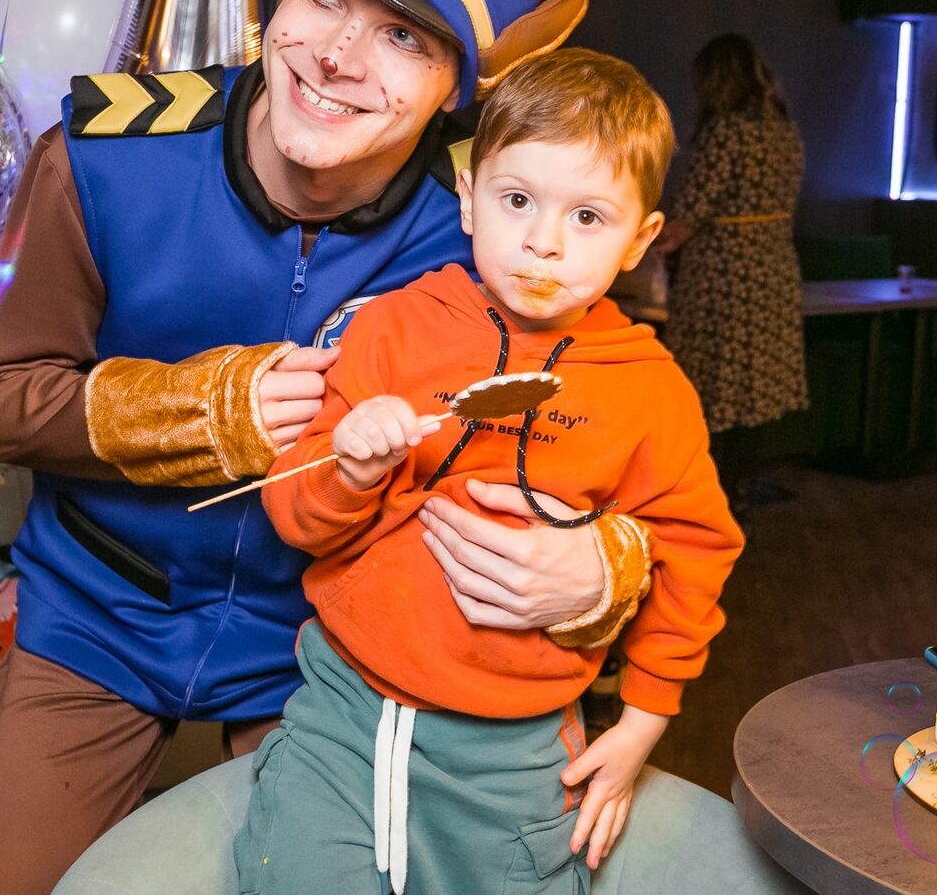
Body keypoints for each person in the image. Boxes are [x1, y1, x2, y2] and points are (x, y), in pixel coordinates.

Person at [0, 0, 653, 894]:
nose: (338, 55)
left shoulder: (486, 224)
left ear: (464, 88)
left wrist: (606, 565)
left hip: (325, 648)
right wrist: (198, 409)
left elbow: (611, 425)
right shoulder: (103, 158)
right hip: (95, 614)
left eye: (405, 37)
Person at [238, 49, 744, 894]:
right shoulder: (392, 330)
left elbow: (694, 551)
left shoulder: (653, 390)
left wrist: (645, 721)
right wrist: (350, 468)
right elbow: (296, 516)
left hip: (517, 751)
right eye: (517, 201)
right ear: (469, 200)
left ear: (640, 240)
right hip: (341, 714)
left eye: (588, 218)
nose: (544, 242)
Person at [663, 34, 808, 500]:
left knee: (712, 383)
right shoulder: (784, 130)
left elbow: (688, 215)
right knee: (756, 387)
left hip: (724, 273)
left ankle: (711, 491)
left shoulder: (724, 131)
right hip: (774, 266)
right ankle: (743, 485)